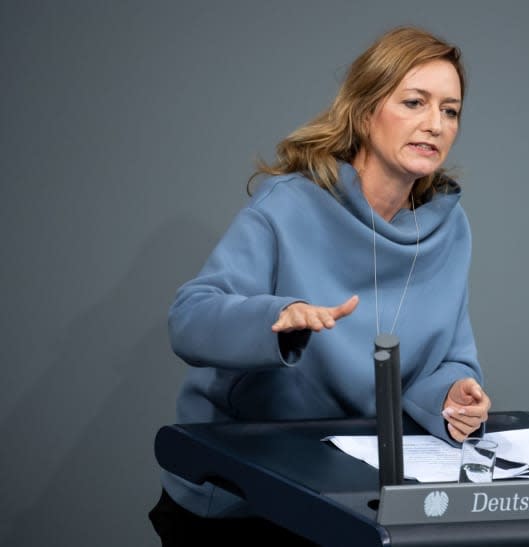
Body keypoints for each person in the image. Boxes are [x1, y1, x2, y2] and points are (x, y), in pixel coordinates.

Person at [150, 26, 491, 546]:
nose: (434, 124)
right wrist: (278, 319)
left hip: (348, 490)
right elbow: (190, 318)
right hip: (245, 495)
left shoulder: (449, 229)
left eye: (450, 110)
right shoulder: (290, 203)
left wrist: (454, 397)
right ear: (364, 110)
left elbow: (447, 358)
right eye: (415, 102)